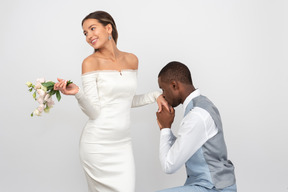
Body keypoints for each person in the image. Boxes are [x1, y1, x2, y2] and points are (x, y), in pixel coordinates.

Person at [54, 11, 168, 192]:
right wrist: (78, 93)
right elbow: (94, 112)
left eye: (92, 28)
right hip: (97, 146)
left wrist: (155, 95)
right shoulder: (90, 63)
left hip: (123, 145)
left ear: (108, 28)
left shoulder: (132, 59)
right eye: (85, 33)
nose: (89, 36)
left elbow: (126, 100)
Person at [156, 61, 237, 192]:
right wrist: (165, 127)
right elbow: (184, 147)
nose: (163, 95)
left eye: (163, 89)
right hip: (204, 185)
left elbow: (168, 166)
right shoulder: (199, 106)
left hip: (215, 188)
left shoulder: (197, 115)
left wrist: (165, 128)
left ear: (174, 85)